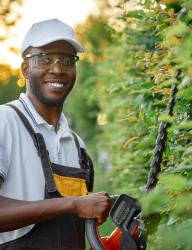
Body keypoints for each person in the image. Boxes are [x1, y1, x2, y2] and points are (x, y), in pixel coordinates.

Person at [0, 19, 113, 249]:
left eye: (67, 60)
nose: (58, 69)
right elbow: (75, 206)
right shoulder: (5, 121)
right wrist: (74, 204)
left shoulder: (75, 143)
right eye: (45, 59)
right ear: (25, 69)